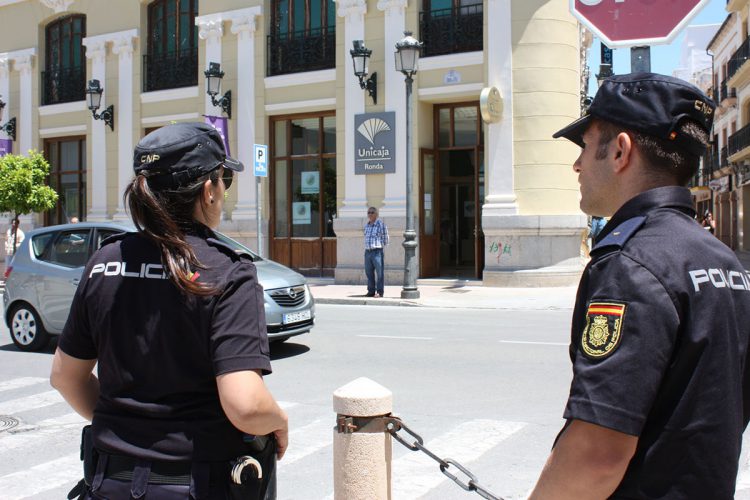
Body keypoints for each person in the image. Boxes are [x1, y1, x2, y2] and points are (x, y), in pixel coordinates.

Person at [530, 73, 750, 499]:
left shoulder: (631, 264)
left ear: (620, 150)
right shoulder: (725, 262)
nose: (577, 165)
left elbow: (598, 451)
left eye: (586, 147)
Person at [49, 122, 288, 499]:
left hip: (109, 483)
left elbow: (66, 376)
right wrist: (278, 420)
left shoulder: (106, 261)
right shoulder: (226, 271)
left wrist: (128, 431)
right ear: (209, 189)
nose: (224, 190)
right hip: (197, 484)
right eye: (224, 178)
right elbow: (246, 405)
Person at [364, 206, 389, 298]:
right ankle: (371, 291)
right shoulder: (367, 225)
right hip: (367, 252)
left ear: (376, 214)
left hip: (377, 251)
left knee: (379, 273)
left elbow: (385, 238)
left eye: (372, 212)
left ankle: (379, 292)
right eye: (368, 212)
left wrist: (380, 248)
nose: (370, 214)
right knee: (368, 272)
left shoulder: (381, 225)